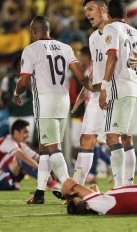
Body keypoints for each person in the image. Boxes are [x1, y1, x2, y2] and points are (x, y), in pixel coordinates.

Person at [14, 16, 93, 204]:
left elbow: (24, 81)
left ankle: (70, 188)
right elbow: (81, 76)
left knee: (52, 147)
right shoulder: (65, 48)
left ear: (34, 31)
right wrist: (92, 89)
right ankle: (40, 193)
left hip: (45, 100)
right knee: (45, 148)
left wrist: (16, 93)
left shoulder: (31, 50)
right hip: (62, 100)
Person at [71, 0, 137, 188]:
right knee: (86, 138)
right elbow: (95, 66)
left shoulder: (117, 32)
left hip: (116, 91)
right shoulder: (93, 37)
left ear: (104, 9)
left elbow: (132, 57)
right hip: (97, 95)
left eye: (91, 9)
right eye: (86, 10)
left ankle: (125, 186)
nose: (87, 14)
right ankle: (76, 187)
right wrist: (83, 92)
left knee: (123, 137)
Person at [98, 0, 137, 188]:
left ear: (108, 14)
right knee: (127, 138)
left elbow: (112, 56)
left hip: (119, 88)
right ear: (126, 14)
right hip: (135, 89)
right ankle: (128, 184)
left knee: (112, 136)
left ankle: (119, 186)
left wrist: (103, 87)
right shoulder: (136, 32)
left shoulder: (111, 29)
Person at [0, 119, 55, 191]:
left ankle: (55, 182)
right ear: (16, 132)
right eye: (25, 132)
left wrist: (52, 169)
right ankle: (51, 184)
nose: (28, 136)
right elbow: (24, 158)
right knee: (22, 160)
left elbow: (38, 158)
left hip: (3, 177)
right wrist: (44, 171)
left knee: (31, 161)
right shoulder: (7, 142)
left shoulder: (20, 145)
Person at [0, 54, 35, 144]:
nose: (21, 67)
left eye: (23, 65)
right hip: (14, 113)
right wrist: (6, 104)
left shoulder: (32, 79)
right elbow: (3, 96)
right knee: (14, 141)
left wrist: (28, 83)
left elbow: (36, 94)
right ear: (15, 66)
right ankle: (16, 158)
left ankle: (25, 157)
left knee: (27, 140)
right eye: (19, 64)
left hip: (27, 113)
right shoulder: (7, 80)